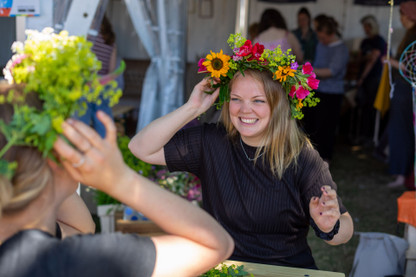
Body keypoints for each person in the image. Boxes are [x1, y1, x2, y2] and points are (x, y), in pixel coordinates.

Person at [129, 34, 354, 269]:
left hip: (285, 271)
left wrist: (331, 227)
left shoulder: (301, 157)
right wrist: (192, 107)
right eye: (236, 98)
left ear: (278, 105)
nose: (245, 110)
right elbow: (140, 148)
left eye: (258, 101)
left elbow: (345, 228)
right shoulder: (212, 141)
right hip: (225, 270)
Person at [0, 83, 234, 277]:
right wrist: (119, 180)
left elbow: (81, 228)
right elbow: (215, 244)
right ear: (56, 157)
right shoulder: (74, 261)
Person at [302, 15, 349, 163]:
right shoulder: (321, 45)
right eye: (320, 38)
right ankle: (310, 157)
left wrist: (310, 71)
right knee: (311, 124)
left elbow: (332, 71)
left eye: (324, 38)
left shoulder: (341, 49)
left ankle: (324, 159)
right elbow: (317, 63)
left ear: (332, 34)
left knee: (326, 127)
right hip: (317, 89)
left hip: (332, 93)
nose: (322, 41)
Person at [383, 1, 416, 188]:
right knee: (401, 132)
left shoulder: (413, 36)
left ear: (410, 14)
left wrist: (390, 61)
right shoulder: (409, 35)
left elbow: (411, 68)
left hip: (406, 91)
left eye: (403, 14)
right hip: (403, 90)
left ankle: (402, 175)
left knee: (402, 132)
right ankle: (402, 174)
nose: (401, 18)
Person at [75, 15, 118, 138]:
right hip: (103, 84)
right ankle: (106, 149)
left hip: (86, 83)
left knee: (82, 121)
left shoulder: (87, 38)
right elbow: (112, 70)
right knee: (103, 121)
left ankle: (81, 151)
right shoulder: (111, 41)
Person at [355, 15, 387, 146]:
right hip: (363, 78)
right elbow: (360, 58)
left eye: (367, 26)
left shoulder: (379, 41)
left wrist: (362, 77)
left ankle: (369, 136)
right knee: (362, 106)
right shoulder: (365, 42)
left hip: (373, 78)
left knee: (370, 107)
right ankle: (362, 134)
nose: (365, 29)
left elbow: (373, 60)